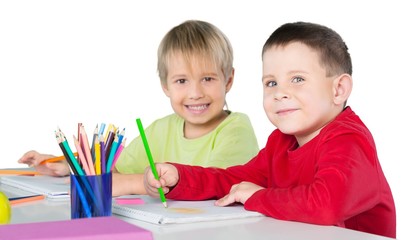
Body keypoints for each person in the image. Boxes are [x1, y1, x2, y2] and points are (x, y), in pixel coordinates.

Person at [143, 21, 396, 238]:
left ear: (338, 90)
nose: (279, 93)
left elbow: (325, 205)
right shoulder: (281, 142)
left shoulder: (348, 139)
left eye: (297, 79)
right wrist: (180, 177)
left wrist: (258, 197)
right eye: (271, 82)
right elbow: (235, 180)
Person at [18, 20, 260, 197]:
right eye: (181, 81)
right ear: (166, 85)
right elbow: (110, 168)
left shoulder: (236, 128)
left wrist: (134, 185)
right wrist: (69, 165)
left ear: (228, 80)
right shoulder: (161, 129)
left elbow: (216, 185)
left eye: (207, 79)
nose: (195, 93)